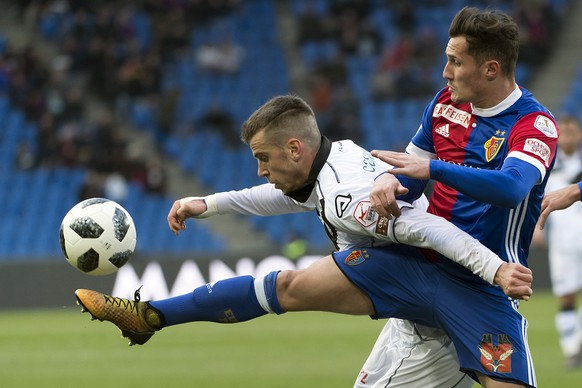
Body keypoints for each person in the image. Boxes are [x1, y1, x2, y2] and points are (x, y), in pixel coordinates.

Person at [75, 95, 532, 388]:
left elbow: (422, 226)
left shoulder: (350, 196)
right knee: (287, 285)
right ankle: (151, 317)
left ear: (295, 149)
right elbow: (283, 195)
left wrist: (494, 268)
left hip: (433, 300)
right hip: (418, 304)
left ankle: (149, 317)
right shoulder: (334, 161)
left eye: (263, 158)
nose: (261, 171)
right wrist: (208, 204)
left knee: (287, 286)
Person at [368, 6, 559, 388]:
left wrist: (435, 169)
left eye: (455, 62)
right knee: (296, 286)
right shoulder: (444, 104)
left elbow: (511, 188)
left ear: (490, 68)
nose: (445, 72)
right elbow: (411, 172)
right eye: (446, 60)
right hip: (430, 274)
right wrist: (389, 182)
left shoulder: (534, 125)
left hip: (486, 286)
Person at [532, 115, 582, 369]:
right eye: (565, 133)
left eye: (573, 132)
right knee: (566, 297)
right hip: (563, 241)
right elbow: (537, 196)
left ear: (579, 135)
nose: (569, 137)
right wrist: (536, 229)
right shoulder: (549, 163)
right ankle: (572, 350)